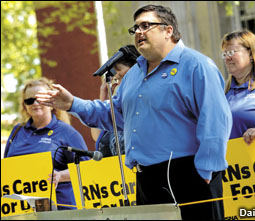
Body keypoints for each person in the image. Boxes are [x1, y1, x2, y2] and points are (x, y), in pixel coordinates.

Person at [36, 5, 232, 220]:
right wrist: (72, 103)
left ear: (168, 30)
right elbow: (115, 116)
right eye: (136, 28)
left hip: (190, 174)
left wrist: (207, 170)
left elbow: (215, 120)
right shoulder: (134, 74)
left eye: (146, 25)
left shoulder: (196, 65)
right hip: (146, 178)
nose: (138, 32)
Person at [4, 77, 89, 210]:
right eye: (29, 100)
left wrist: (60, 176)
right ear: (24, 105)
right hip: (22, 211)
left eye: (40, 98)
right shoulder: (17, 131)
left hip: (59, 210)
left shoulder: (67, 132)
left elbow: (87, 170)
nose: (35, 103)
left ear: (52, 102)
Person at [91, 45, 140, 157]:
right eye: (117, 79)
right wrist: (104, 98)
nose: (121, 83)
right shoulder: (117, 104)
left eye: (123, 76)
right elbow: (97, 135)